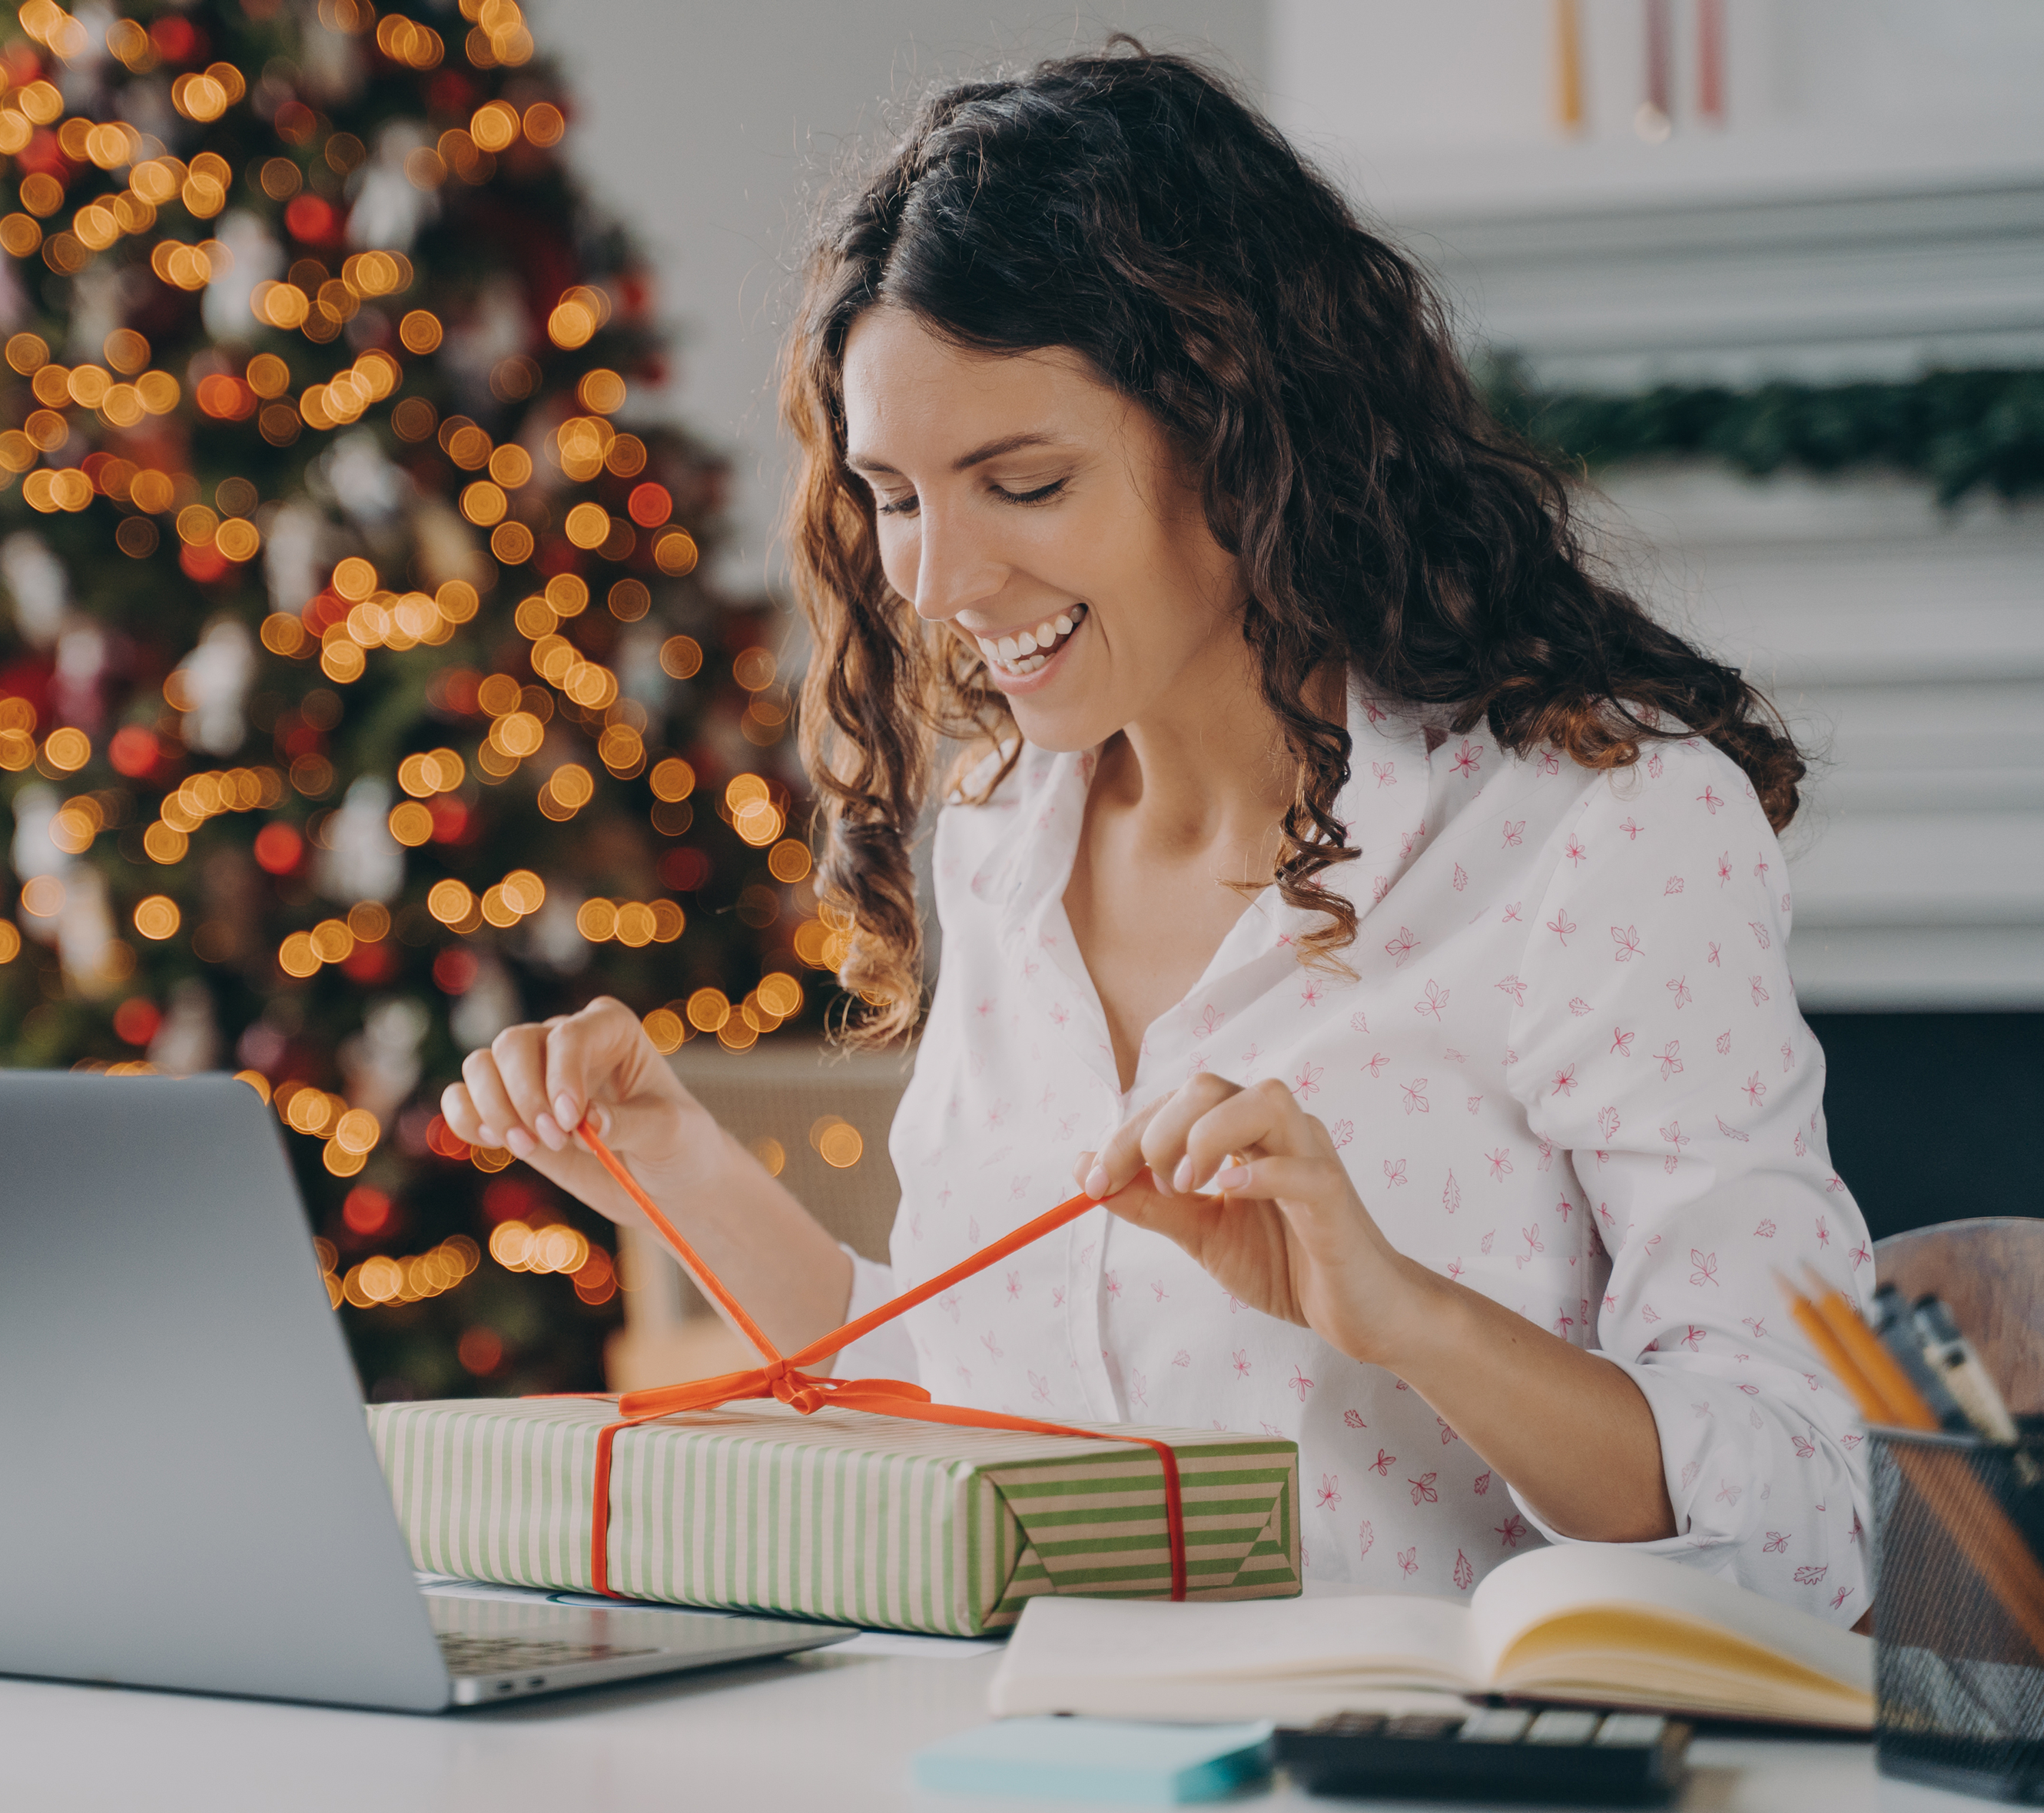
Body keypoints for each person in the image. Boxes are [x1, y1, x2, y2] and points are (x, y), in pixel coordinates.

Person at [440, 45, 1873, 1619]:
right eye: (897, 497)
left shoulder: (1602, 831)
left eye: (1024, 481)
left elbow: (1807, 1517)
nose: (931, 584)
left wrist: (1400, 1312)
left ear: (1251, 439)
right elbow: (964, 1392)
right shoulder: (999, 829)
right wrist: (666, 1158)